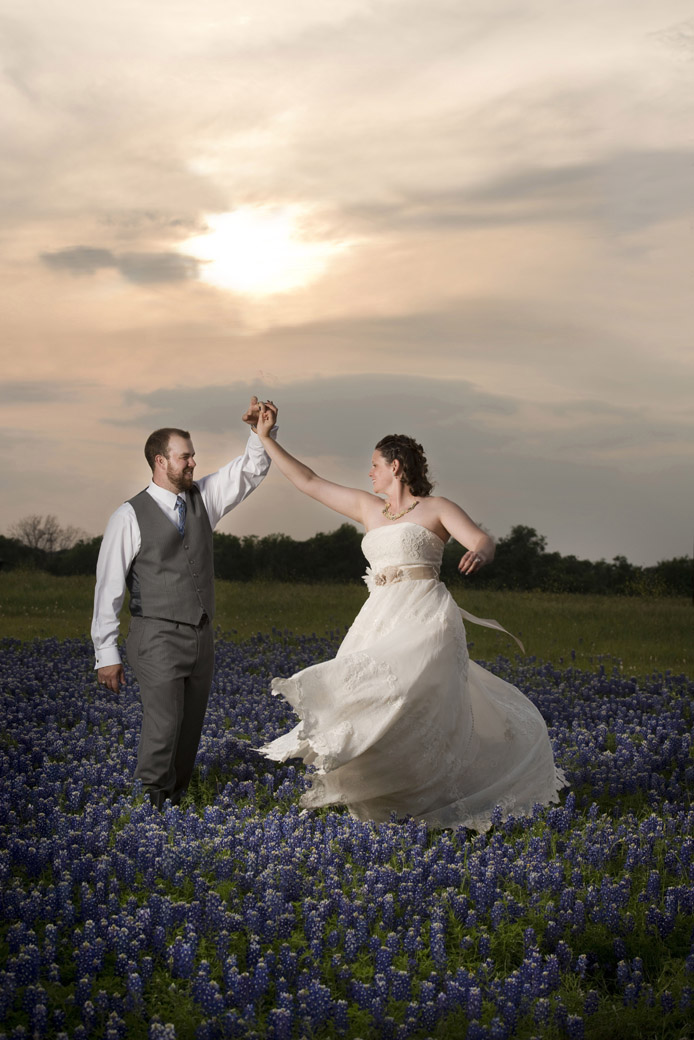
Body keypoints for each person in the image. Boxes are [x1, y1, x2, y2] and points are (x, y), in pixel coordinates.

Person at [254, 405, 567, 831]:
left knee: (411, 695)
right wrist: (267, 438)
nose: (370, 474)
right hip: (380, 615)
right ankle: (393, 795)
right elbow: (308, 481)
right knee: (368, 697)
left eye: (375, 465)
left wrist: (479, 551)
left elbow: (480, 538)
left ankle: (441, 794)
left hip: (426, 615)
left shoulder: (436, 507)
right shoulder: (369, 508)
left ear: (396, 467)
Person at [92, 396, 277, 808]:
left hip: (200, 634)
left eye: (193, 457)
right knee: (165, 723)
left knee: (189, 726)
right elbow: (109, 588)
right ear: (160, 461)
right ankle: (149, 802)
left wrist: (259, 432)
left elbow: (246, 472)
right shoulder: (129, 515)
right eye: (185, 457)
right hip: (155, 634)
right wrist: (106, 651)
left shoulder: (202, 499)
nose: (193, 463)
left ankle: (174, 802)